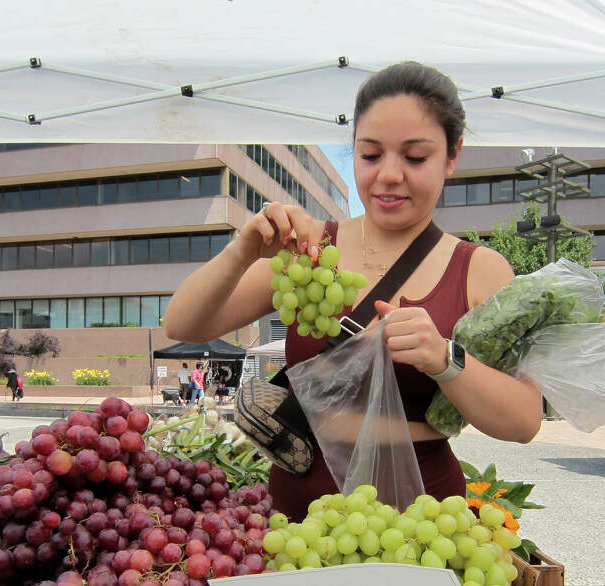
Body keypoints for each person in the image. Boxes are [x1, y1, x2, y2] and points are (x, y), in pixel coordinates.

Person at [163, 61, 542, 520]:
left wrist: (445, 359)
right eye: (371, 155)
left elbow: (523, 421)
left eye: (415, 157)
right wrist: (243, 251)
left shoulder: (480, 270)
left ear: (452, 155)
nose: (388, 175)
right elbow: (182, 324)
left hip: (421, 514)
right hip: (302, 503)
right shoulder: (309, 250)